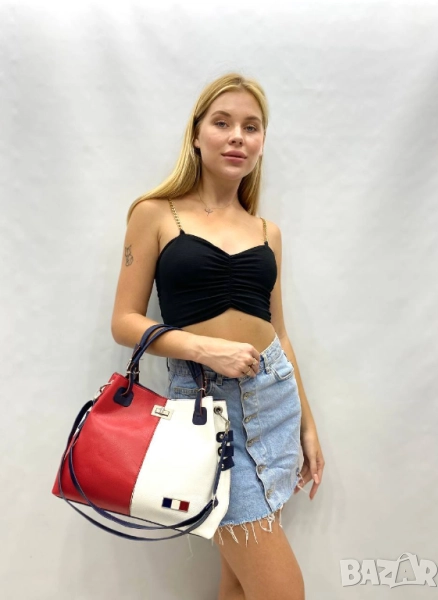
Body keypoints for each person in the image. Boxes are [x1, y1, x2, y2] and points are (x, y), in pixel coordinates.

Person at [111, 72, 325, 600]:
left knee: (240, 584)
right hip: (207, 410)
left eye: (251, 127)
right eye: (222, 123)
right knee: (283, 591)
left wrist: (308, 425)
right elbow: (125, 321)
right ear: (196, 134)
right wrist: (203, 348)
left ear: (261, 143)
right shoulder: (155, 214)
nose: (237, 137)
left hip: (274, 402)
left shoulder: (267, 232)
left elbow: (279, 333)